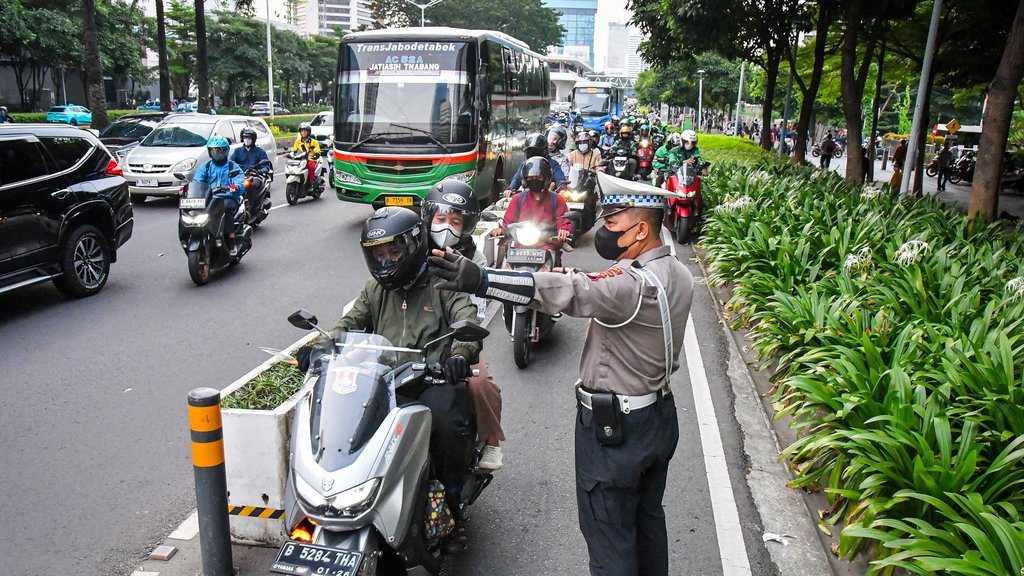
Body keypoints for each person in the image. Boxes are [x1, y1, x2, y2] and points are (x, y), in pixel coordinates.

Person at [428, 171, 694, 576]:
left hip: (615, 431)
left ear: (640, 230)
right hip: (659, 416)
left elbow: (567, 289)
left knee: (609, 540)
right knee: (647, 524)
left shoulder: (630, 285)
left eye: (612, 224)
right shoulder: (679, 273)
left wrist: (482, 279)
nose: (604, 232)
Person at [316, 206, 483, 552]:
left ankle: (450, 512)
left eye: (394, 251)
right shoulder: (374, 290)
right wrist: (322, 346)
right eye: (380, 254)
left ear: (414, 245)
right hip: (383, 383)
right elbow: (347, 324)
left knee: (446, 428)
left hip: (432, 381)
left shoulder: (442, 279)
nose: (387, 260)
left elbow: (466, 317)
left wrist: (458, 356)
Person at [421, 181, 505, 470]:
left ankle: (492, 441)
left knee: (481, 383)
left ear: (467, 225)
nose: (447, 227)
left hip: (457, 340)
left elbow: (474, 314)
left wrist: (460, 351)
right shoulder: (415, 249)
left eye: (456, 221)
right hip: (417, 340)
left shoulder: (474, 261)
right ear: (429, 217)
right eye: (441, 219)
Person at [493, 156, 572, 250]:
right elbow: (507, 223)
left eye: (538, 177)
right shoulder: (518, 199)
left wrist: (563, 230)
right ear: (525, 179)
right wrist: (500, 230)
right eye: (530, 178)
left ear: (546, 178)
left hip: (547, 247)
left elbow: (563, 222)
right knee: (504, 260)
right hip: (520, 248)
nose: (534, 180)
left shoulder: (557, 200)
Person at [192, 136, 245, 254]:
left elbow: (240, 181)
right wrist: (187, 188)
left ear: (225, 151)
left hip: (228, 198)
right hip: (210, 198)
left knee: (225, 207)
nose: (216, 153)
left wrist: (236, 187)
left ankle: (231, 239)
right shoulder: (206, 167)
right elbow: (197, 181)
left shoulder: (233, 166)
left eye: (219, 150)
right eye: (213, 150)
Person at [230, 127, 272, 203]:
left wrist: (261, 171)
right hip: (240, 176)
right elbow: (231, 162)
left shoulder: (260, 152)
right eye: (245, 137)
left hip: (255, 176)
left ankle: (251, 205)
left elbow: (266, 165)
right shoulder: (237, 151)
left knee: (252, 185)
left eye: (249, 137)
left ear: (253, 139)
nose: (247, 139)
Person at [291, 122, 322, 190]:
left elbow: (317, 151)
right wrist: (290, 154)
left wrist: (314, 154)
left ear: (308, 132)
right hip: (300, 160)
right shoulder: (297, 141)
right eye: (302, 131)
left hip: (310, 159)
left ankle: (311, 183)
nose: (304, 132)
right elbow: (294, 150)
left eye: (305, 131)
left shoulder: (313, 142)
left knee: (311, 167)